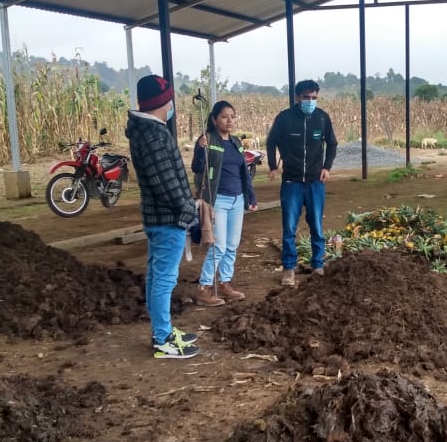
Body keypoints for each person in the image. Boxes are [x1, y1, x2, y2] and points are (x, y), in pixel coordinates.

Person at [125, 74, 200, 359]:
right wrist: (188, 211)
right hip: (167, 219)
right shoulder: (153, 134)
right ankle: (162, 339)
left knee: (158, 276)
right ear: (163, 101)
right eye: (170, 98)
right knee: (165, 279)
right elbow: (165, 181)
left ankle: (164, 329)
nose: (173, 104)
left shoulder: (148, 130)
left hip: (161, 217)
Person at [266, 80, 338, 286]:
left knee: (316, 224)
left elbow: (332, 144)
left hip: (315, 182)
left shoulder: (322, 118)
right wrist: (273, 166)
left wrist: (327, 167)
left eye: (314, 97)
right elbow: (271, 142)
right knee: (289, 227)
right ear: (297, 97)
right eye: (306, 97)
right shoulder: (285, 118)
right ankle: (289, 269)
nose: (310, 101)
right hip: (292, 182)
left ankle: (318, 265)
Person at [192, 101, 258, 307]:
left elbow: (244, 173)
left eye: (233, 116)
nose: (229, 120)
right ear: (214, 119)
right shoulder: (208, 140)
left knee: (232, 245)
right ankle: (204, 288)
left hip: (237, 200)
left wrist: (250, 197)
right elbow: (197, 168)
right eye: (224, 116)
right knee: (218, 245)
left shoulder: (237, 143)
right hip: (217, 200)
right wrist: (199, 148)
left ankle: (225, 283)